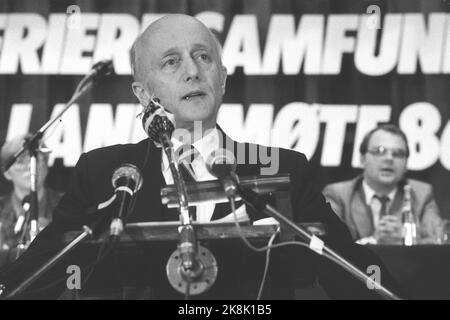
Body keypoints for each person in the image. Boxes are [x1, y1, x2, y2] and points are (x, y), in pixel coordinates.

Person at [0, 14, 401, 300]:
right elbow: (38, 274)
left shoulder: (283, 169)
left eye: (203, 57)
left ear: (222, 80)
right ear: (142, 93)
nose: (192, 71)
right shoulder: (104, 172)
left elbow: (352, 271)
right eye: (171, 62)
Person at [323, 124, 442, 244]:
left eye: (398, 153)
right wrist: (373, 240)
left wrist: (405, 240)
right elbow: (328, 245)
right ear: (362, 159)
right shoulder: (338, 195)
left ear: (406, 164)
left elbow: (438, 242)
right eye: (379, 151)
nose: (389, 158)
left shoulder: (421, 194)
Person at [0, 134, 62, 251]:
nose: (30, 166)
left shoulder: (68, 205)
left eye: (35, 158)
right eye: (20, 162)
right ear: (7, 173)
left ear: (46, 165)